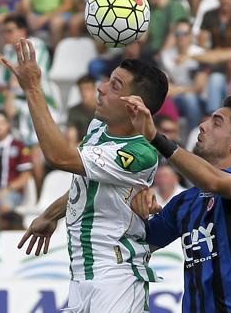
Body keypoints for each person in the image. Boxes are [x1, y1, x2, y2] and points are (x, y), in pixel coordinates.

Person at [12, 39, 168, 311]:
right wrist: (50, 215)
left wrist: (33, 89)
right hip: (82, 274)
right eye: (108, 80)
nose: (101, 87)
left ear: (133, 105)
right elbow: (87, 184)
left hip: (115, 277)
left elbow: (58, 156)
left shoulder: (140, 153)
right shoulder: (98, 126)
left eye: (114, 86)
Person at [122, 94, 231, 312]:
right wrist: (138, 206)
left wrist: (156, 138)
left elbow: (213, 181)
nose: (203, 125)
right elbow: (137, 244)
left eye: (216, 122)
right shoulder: (185, 202)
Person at [66, 75, 97, 147]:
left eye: (87, 89)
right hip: (81, 148)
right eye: (81, 89)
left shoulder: (105, 110)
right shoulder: (74, 111)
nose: (84, 93)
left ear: (95, 90)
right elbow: (71, 138)